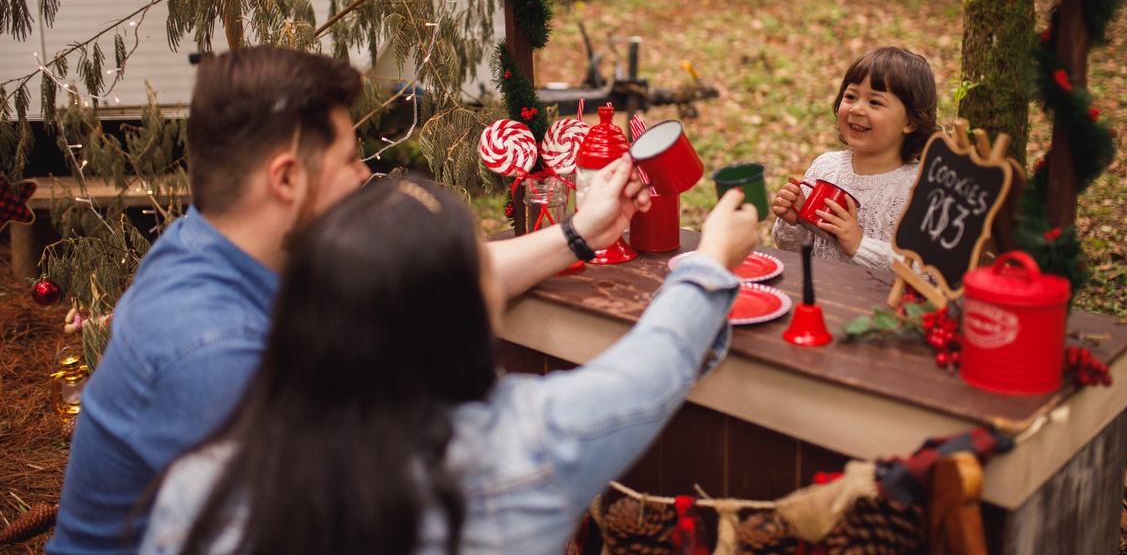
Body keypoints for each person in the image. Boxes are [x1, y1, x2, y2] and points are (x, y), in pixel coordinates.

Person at [48, 46, 651, 555]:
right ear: (285, 179)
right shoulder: (215, 351)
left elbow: (434, 280)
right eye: (348, 159)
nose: (365, 175)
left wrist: (582, 234)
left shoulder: (226, 245)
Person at [138, 182, 758, 555]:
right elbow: (654, 365)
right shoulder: (529, 442)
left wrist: (579, 232)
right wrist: (710, 260)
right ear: (458, 315)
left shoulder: (198, 487)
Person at [771, 47, 937, 271]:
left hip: (884, 305)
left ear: (911, 121)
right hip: (824, 295)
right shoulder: (825, 168)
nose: (857, 109)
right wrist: (795, 222)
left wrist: (861, 246)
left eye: (875, 102)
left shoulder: (920, 189)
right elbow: (790, 250)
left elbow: (930, 273)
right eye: (851, 97)